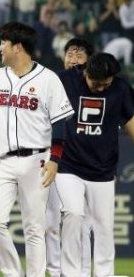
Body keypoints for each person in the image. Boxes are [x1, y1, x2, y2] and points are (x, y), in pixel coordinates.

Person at [0, 22, 74, 277]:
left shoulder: (48, 79)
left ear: (18, 47)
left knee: (34, 227)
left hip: (37, 160)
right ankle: (12, 273)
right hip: (3, 160)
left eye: (3, 44)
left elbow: (59, 124)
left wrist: (55, 159)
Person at [55, 52, 134, 277]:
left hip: (103, 170)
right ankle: (70, 273)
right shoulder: (66, 80)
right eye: (95, 83)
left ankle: (104, 274)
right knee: (73, 214)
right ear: (85, 72)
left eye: (105, 84)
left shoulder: (120, 89)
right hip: (68, 165)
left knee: (104, 227)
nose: (100, 88)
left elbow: (131, 123)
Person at [45, 37, 94, 277]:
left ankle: (82, 273)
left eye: (79, 54)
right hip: (55, 160)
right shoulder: (52, 83)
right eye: (70, 54)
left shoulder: (95, 87)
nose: (73, 59)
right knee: (51, 223)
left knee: (82, 223)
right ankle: (55, 272)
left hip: (83, 163)